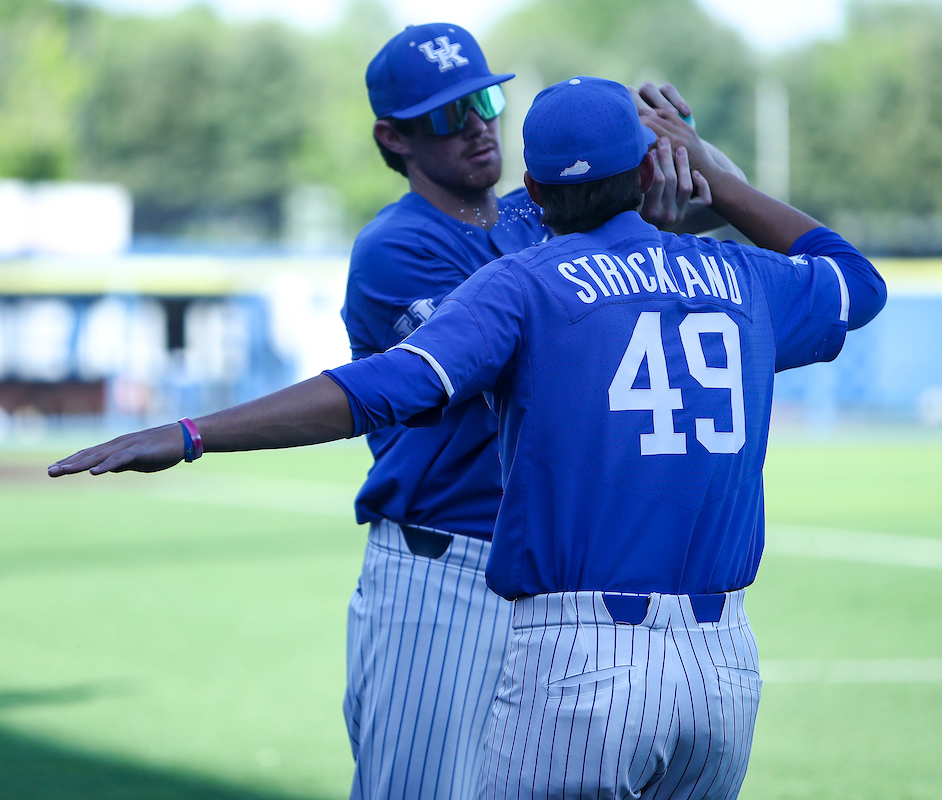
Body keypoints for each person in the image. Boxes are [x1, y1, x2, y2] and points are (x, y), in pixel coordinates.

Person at [49, 75, 886, 798]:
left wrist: (196, 431)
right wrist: (717, 179)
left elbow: (383, 387)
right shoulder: (741, 279)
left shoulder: (523, 282)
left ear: (535, 186)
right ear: (646, 172)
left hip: (582, 659)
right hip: (723, 668)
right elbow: (856, 279)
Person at [342, 22, 742, 799]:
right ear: (394, 139)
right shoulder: (400, 246)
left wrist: (670, 153)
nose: (473, 125)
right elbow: (514, 342)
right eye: (440, 116)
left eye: (484, 99)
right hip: (443, 571)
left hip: (560, 584)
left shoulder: (547, 216)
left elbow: (698, 215)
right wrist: (622, 203)